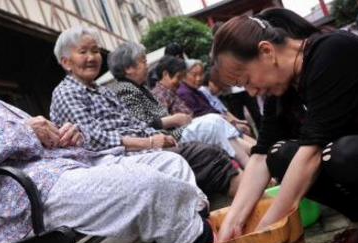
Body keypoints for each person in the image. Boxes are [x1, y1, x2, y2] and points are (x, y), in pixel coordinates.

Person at [0, 9, 216, 243]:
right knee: (149, 185)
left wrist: (64, 137)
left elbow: (31, 141)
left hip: (68, 174)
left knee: (170, 164)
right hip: (30, 201)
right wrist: (26, 132)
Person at [212, 8, 358, 243]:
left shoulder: (332, 51)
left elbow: (311, 154)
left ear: (267, 52)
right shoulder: (281, 89)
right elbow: (260, 155)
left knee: (340, 154)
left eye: (247, 80)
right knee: (279, 155)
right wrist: (232, 221)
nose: (251, 92)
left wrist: (263, 234)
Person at [49, 27, 241, 199]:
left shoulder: (103, 90)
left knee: (208, 151)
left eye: (95, 51)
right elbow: (90, 138)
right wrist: (149, 141)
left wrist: (158, 137)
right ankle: (212, 223)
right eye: (83, 52)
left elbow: (135, 123)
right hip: (114, 161)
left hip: (140, 151)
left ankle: (247, 200)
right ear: (66, 61)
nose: (91, 57)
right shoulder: (67, 92)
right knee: (203, 154)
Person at [107, 42, 250, 167]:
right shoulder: (124, 89)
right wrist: (174, 119)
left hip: (172, 132)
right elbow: (140, 123)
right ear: (128, 68)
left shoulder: (140, 88)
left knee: (215, 119)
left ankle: (250, 162)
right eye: (143, 61)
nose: (147, 65)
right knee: (212, 124)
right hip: (164, 138)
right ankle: (249, 164)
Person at [199, 68, 254, 137]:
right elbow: (219, 114)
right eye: (219, 87)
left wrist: (238, 121)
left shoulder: (212, 94)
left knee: (246, 126)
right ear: (211, 82)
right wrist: (236, 123)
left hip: (225, 123)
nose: (220, 91)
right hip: (219, 126)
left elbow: (225, 111)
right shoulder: (203, 92)